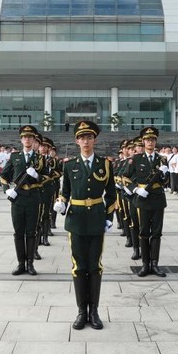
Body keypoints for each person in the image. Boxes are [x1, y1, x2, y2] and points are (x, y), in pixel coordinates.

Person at [53, 119, 117, 330]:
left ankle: (95, 312)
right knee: (79, 267)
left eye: (89, 137)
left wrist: (109, 218)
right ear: (77, 141)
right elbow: (65, 192)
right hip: (77, 221)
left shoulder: (105, 165)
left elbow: (112, 193)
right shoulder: (70, 165)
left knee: (95, 266)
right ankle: (82, 312)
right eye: (82, 138)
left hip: (97, 220)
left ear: (94, 140)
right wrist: (61, 203)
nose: (85, 141)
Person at [0, 125, 46, 276]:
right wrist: (7, 189)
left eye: (30, 137)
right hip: (17, 199)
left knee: (31, 232)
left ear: (33, 140)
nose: (27, 139)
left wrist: (37, 176)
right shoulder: (14, 157)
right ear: (21, 140)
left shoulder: (39, 158)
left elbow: (46, 178)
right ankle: (21, 264)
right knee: (18, 232)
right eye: (24, 137)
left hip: (33, 198)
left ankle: (30, 264)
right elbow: (3, 175)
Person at [123, 126, 169, 278]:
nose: (150, 142)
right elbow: (125, 178)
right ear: (143, 141)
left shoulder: (162, 159)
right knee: (143, 232)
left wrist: (163, 174)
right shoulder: (136, 159)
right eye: (148, 140)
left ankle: (154, 264)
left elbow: (165, 181)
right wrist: (136, 189)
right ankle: (144, 264)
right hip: (142, 199)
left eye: (153, 140)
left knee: (156, 233)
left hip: (157, 199)